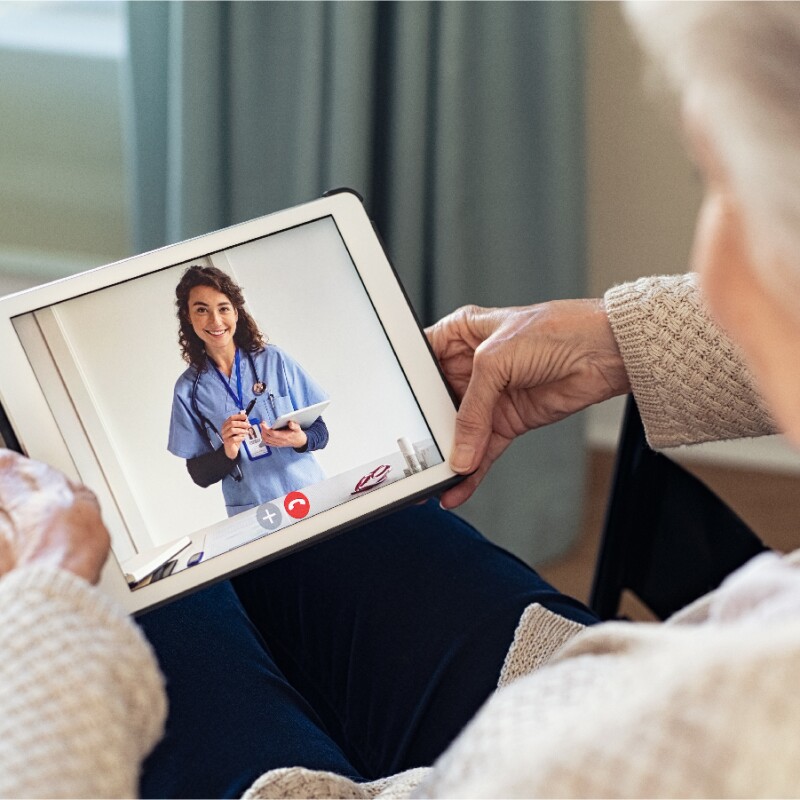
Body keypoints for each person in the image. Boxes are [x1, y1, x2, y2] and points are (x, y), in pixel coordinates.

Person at [2, 2, 800, 797]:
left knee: (120, 569)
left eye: (714, 179)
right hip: (584, 669)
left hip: (554, 733)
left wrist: (45, 638)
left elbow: (313, 440)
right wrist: (620, 339)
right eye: (199, 311)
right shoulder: (188, 389)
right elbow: (203, 471)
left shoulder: (654, 751)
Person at [168, 265, 330, 516]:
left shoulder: (275, 360)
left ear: (235, 312)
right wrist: (227, 451)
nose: (215, 321)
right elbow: (199, 475)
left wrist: (300, 439)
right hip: (254, 509)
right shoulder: (188, 390)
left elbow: (321, 432)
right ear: (189, 317)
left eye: (223, 308)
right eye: (202, 310)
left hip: (307, 491)